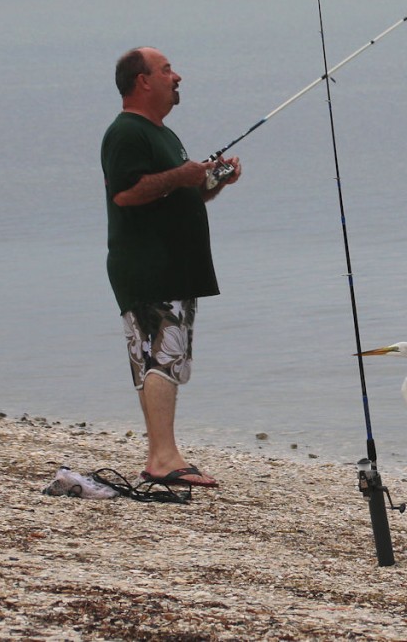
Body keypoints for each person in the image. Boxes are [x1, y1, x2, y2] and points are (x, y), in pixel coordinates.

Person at [100, 47, 241, 488]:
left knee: (166, 358)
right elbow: (127, 193)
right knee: (159, 358)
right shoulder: (126, 132)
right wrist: (183, 175)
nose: (176, 77)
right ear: (143, 81)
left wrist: (213, 180)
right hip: (147, 266)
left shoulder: (164, 135)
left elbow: (182, 194)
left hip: (173, 267)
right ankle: (162, 457)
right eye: (166, 70)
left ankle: (163, 453)